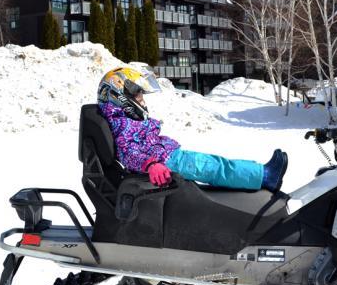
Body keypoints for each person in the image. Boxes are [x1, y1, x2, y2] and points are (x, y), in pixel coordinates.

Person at [97, 67, 288, 192]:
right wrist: (150, 164)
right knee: (216, 168)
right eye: (138, 96)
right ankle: (264, 175)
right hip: (166, 163)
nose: (142, 101)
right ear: (119, 96)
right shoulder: (121, 123)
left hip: (168, 157)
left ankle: (258, 171)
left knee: (217, 164)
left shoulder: (124, 118)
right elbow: (126, 152)